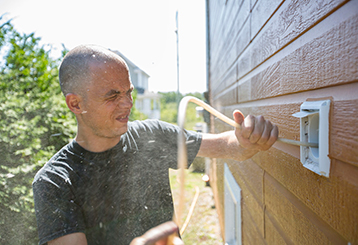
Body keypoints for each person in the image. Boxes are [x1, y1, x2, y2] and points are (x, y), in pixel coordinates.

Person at [33, 44, 278, 245]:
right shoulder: (55, 182)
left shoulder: (151, 135)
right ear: (76, 104)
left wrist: (247, 139)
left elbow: (228, 147)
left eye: (128, 92)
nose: (127, 104)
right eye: (112, 96)